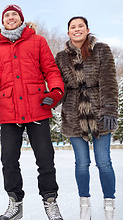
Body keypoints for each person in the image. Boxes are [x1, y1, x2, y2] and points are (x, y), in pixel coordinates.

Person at [0, 4, 65, 220]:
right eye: (6, 15)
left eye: (14, 14)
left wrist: (56, 90)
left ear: (21, 19)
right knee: (9, 160)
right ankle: (15, 202)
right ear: (2, 21)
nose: (10, 17)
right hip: (9, 111)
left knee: (45, 158)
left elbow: (50, 69)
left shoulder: (38, 41)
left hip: (38, 107)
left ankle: (50, 202)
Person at [55, 16, 118, 220]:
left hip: (100, 110)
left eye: (80, 26)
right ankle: (85, 204)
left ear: (87, 29)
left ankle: (109, 204)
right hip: (73, 113)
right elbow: (61, 87)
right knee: (81, 163)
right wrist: (52, 99)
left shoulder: (101, 49)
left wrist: (109, 109)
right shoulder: (61, 57)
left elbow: (109, 81)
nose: (77, 29)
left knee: (104, 161)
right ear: (68, 33)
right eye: (73, 27)